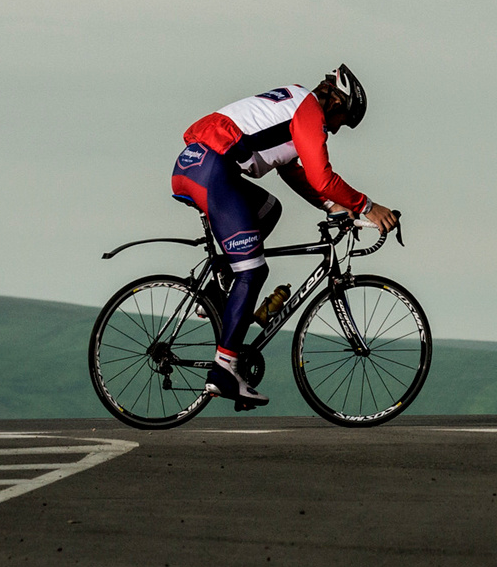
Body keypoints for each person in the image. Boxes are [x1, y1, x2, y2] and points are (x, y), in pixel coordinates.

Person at [167, 65, 399, 407]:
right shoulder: (310, 111)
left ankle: (218, 289)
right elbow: (322, 177)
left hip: (196, 164)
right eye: (343, 121)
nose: (336, 130)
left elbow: (293, 172)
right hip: (212, 169)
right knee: (253, 271)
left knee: (269, 210)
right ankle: (224, 370)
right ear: (336, 102)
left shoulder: (295, 105)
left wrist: (332, 207)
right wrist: (367, 206)